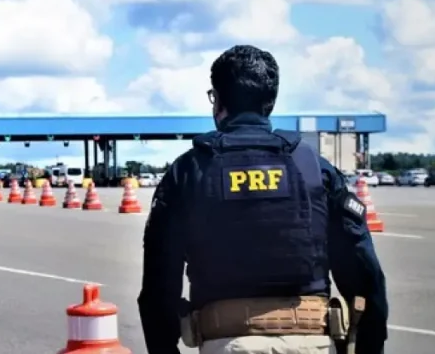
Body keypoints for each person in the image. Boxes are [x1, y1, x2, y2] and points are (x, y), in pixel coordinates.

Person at [137, 45, 388, 354]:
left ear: (218, 100)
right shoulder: (313, 168)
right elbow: (365, 274)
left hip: (225, 344)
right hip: (313, 343)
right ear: (270, 101)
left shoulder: (189, 172)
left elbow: (159, 286)